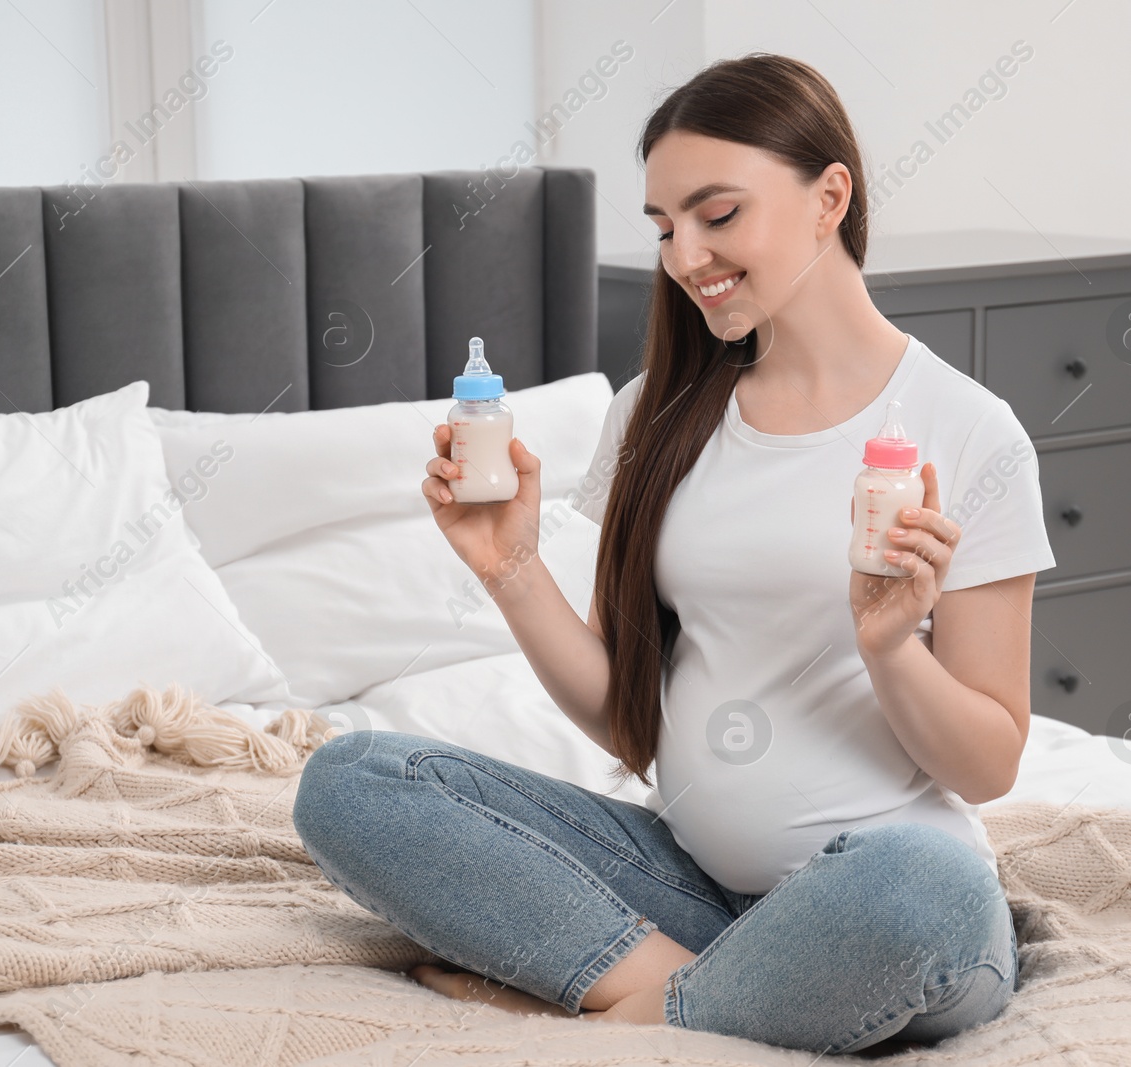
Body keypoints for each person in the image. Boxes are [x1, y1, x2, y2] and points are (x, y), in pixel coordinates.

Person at [292, 51, 1054, 1055]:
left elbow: (989, 761)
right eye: (663, 227)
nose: (685, 254)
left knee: (930, 886)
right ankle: (693, 986)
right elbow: (634, 725)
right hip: (690, 891)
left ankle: (636, 1010)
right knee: (349, 779)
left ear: (829, 196)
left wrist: (888, 645)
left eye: (717, 213)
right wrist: (509, 567)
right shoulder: (655, 414)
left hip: (889, 908)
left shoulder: (969, 431)